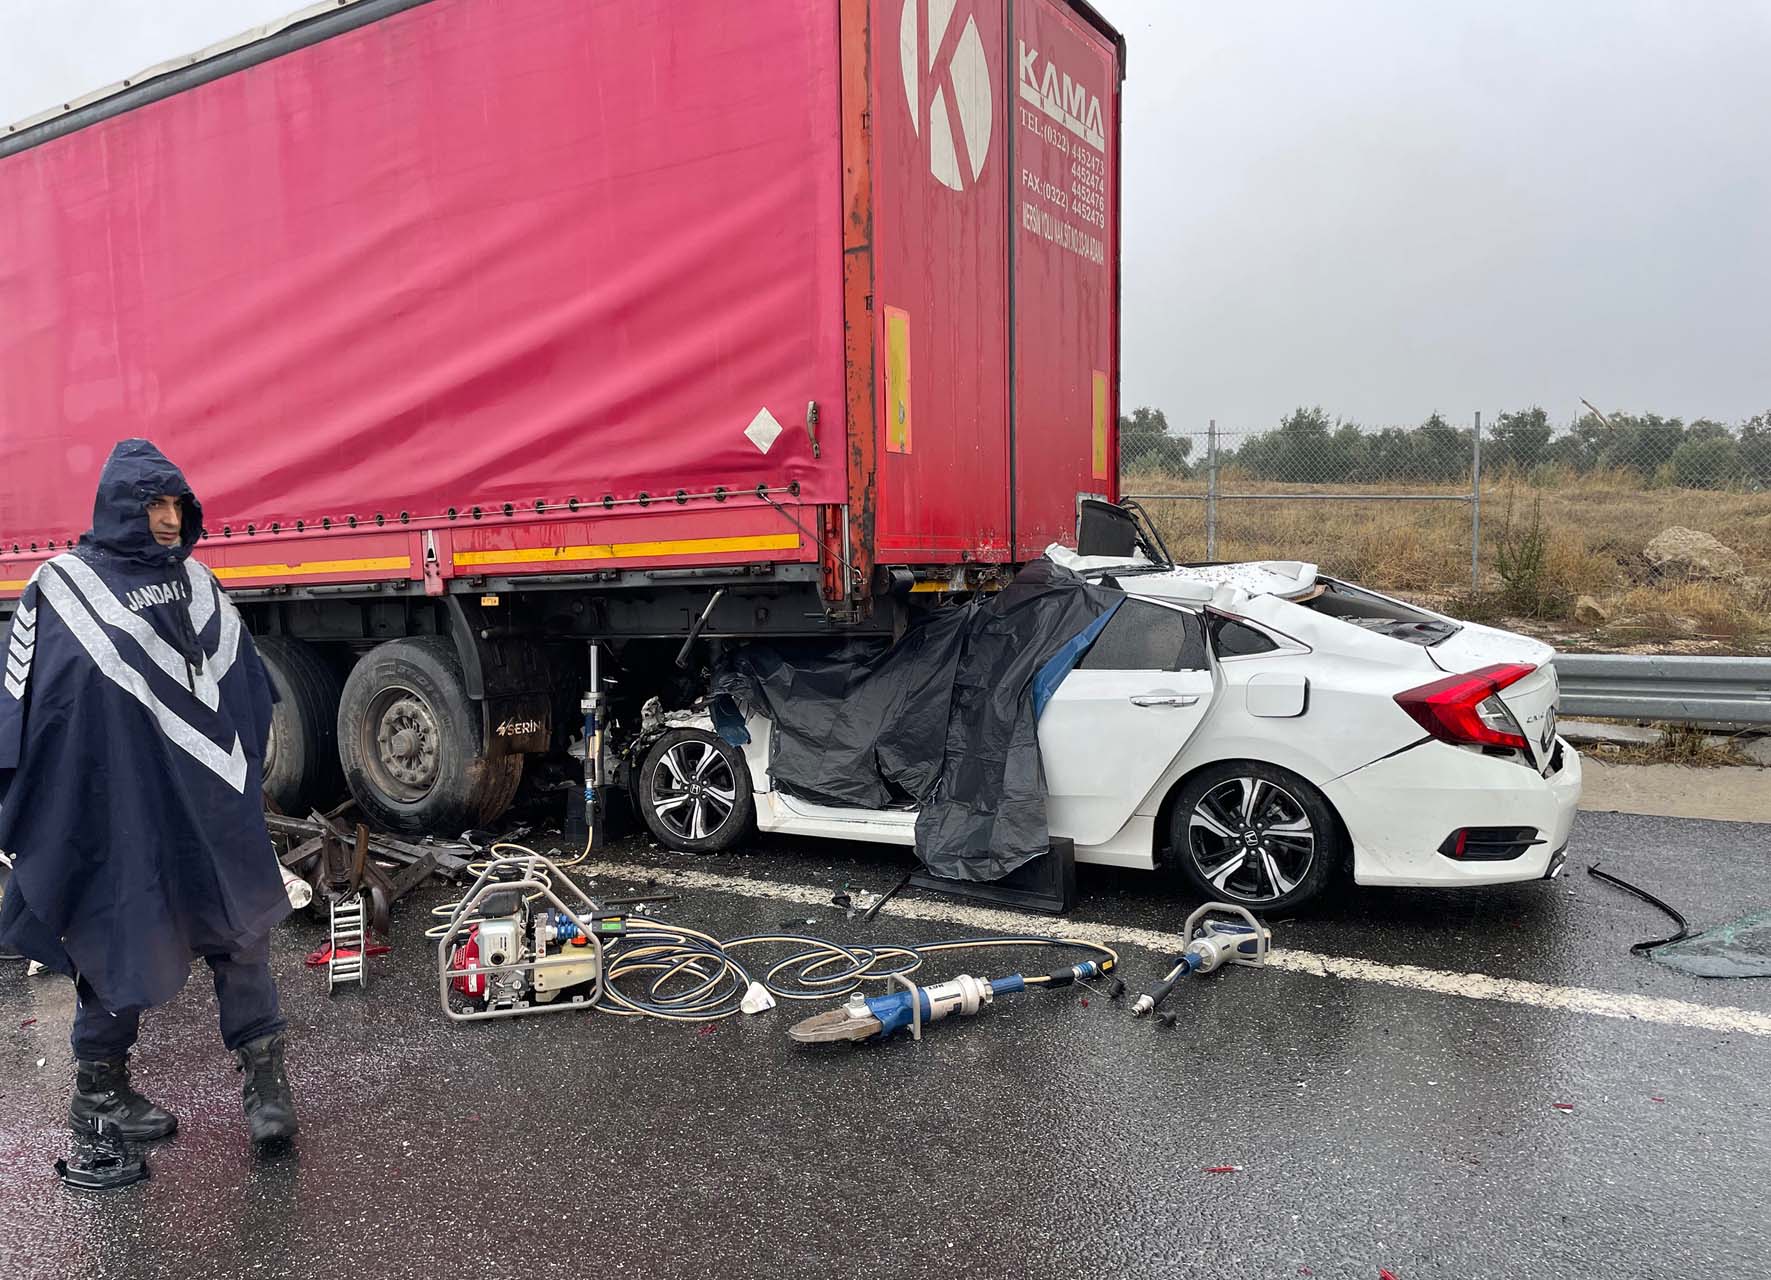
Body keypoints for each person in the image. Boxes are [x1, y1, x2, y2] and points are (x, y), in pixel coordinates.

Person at [0, 439, 299, 1155]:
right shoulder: (63, 584)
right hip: (118, 806)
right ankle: (99, 1093)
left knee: (241, 926)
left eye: (176, 504)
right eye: (153, 504)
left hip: (209, 798)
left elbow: (245, 687)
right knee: (118, 931)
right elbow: (33, 700)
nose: (168, 518)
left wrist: (235, 774)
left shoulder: (198, 583)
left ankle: (266, 1085)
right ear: (121, 506)